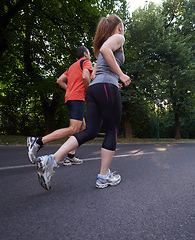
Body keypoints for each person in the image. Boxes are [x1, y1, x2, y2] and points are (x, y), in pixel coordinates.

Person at [35, 14, 131, 190]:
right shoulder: (118, 37)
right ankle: (103, 176)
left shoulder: (102, 43)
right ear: (118, 26)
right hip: (104, 87)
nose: (123, 30)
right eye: (122, 26)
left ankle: (52, 159)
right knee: (112, 129)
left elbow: (96, 73)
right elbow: (105, 52)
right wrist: (121, 75)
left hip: (95, 89)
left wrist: (111, 79)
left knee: (90, 131)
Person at [27, 46, 93, 166]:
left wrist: (70, 90)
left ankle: (71, 156)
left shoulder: (72, 66)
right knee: (73, 129)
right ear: (85, 54)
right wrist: (89, 91)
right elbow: (85, 77)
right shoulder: (86, 62)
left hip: (71, 97)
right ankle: (38, 141)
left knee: (82, 127)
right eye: (89, 53)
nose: (90, 56)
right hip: (77, 98)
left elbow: (59, 80)